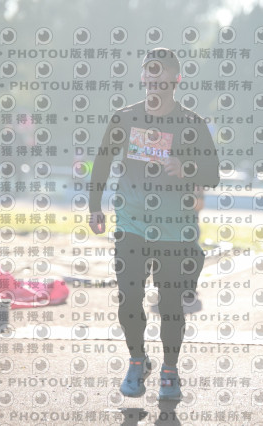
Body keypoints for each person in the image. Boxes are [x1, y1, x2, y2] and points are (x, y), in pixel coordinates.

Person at [88, 48, 220, 400]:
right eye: (149, 72)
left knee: (170, 304)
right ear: (143, 77)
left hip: (174, 229)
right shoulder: (124, 118)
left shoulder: (191, 123)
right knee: (129, 298)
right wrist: (94, 206)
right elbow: (102, 162)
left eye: (161, 74)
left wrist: (186, 167)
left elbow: (213, 173)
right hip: (130, 223)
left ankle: (170, 371)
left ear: (176, 80)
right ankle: (137, 360)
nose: (154, 79)